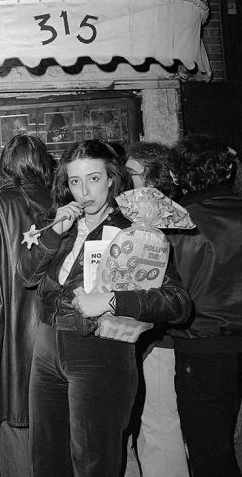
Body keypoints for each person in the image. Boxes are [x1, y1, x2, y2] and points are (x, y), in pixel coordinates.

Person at [17, 140, 191, 477]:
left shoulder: (133, 228)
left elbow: (177, 302)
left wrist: (113, 300)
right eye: (75, 181)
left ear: (111, 179)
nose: (84, 191)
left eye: (93, 179)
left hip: (99, 351)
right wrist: (54, 234)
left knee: (94, 461)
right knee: (48, 458)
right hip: (46, 348)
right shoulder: (57, 222)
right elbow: (26, 275)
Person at [0, 134, 53, 476]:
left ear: (5, 165)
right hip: (53, 324)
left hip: (8, 324)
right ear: (43, 163)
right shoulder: (63, 201)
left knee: (11, 421)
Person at [166, 134, 242, 477]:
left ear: (178, 176)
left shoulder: (176, 222)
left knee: (210, 451)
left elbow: (165, 294)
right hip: (212, 344)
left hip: (204, 349)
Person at [124, 142, 189, 477]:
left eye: (132, 173)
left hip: (162, 337)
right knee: (141, 425)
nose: (125, 179)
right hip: (143, 333)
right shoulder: (136, 216)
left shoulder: (173, 218)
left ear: (153, 175)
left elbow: (176, 288)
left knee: (158, 423)